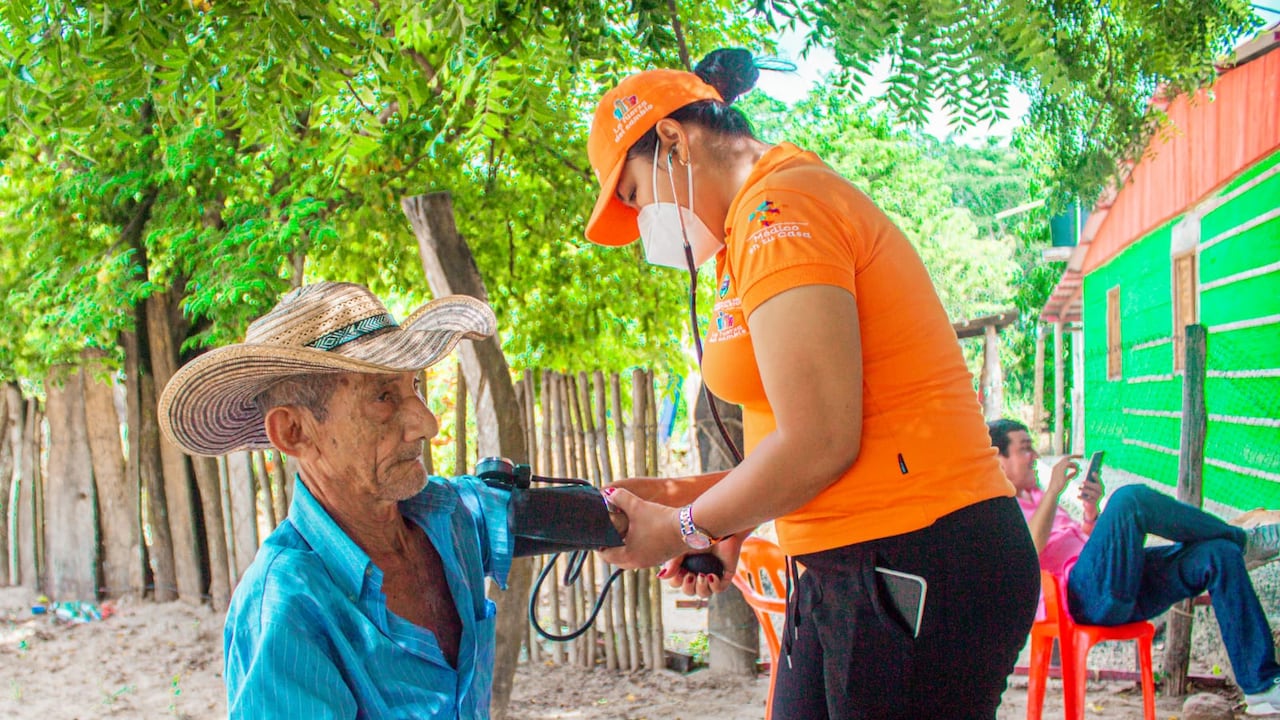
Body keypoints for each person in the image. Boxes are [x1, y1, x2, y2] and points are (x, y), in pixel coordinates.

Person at [581, 48, 1040, 718]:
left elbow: (821, 441)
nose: (644, 220)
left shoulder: (780, 209)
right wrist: (709, 515)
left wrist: (682, 526)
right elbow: (805, 441)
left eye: (635, 194)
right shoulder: (749, 230)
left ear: (674, 140)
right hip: (847, 563)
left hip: (919, 551)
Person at [158, 282, 513, 719]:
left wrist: (616, 506)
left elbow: (542, 512)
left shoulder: (448, 515)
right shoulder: (286, 607)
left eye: (414, 386)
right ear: (294, 432)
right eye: (383, 397)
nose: (427, 422)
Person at [987, 418, 1280, 715]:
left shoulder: (1036, 497)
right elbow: (1029, 552)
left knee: (1219, 554)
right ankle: (1245, 540)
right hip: (1080, 600)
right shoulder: (1000, 508)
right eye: (1025, 449)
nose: (1035, 456)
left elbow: (1081, 545)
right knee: (1130, 499)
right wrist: (1053, 492)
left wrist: (1091, 512)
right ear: (999, 460)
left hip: (1112, 586)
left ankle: (1262, 687)